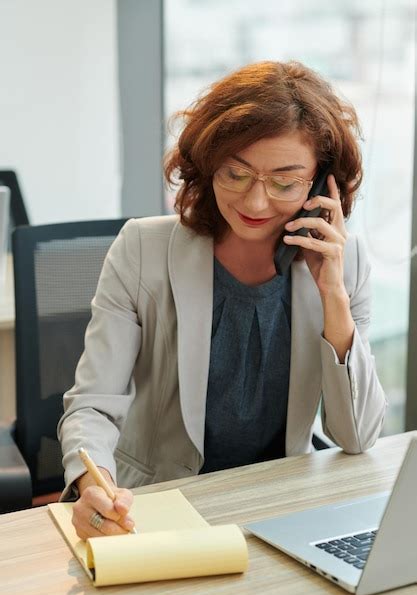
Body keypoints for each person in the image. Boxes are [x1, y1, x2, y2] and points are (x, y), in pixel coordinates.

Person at [58, 60, 386, 540]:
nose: (255, 203)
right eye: (235, 173)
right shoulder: (142, 249)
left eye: (284, 182)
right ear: (207, 164)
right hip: (159, 508)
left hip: (282, 509)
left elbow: (356, 436)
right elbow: (93, 405)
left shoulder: (344, 262)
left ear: (321, 185)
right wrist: (95, 482)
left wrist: (332, 294)